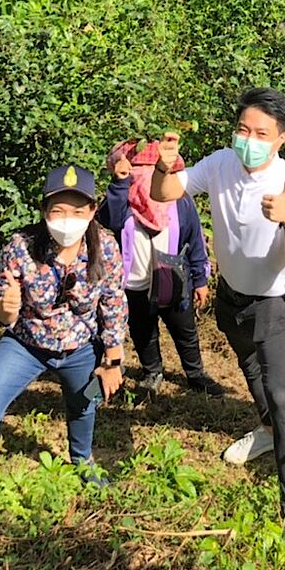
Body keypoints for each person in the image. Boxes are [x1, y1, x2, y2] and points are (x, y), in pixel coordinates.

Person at [151, 87, 285, 560]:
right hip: (233, 298)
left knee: (283, 396)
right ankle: (265, 431)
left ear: (282, 138)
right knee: (250, 369)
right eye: (243, 129)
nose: (249, 140)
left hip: (280, 304)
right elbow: (166, 193)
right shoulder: (222, 162)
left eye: (261, 133)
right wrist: (166, 166)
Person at [0, 164, 126, 548]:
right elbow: (4, 312)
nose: (67, 220)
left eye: (78, 211)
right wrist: (6, 308)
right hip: (26, 343)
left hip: (80, 346)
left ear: (92, 211)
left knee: (83, 405)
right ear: (44, 211)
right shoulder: (20, 246)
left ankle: (83, 461)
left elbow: (112, 302)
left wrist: (113, 359)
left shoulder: (105, 246)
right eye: (58, 210)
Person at [100, 138, 224, 396]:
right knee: (143, 331)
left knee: (184, 328)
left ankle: (195, 373)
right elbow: (109, 218)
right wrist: (120, 183)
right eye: (138, 172)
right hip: (134, 283)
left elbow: (195, 240)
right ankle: (152, 371)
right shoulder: (124, 201)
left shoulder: (179, 201)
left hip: (173, 279)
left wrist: (200, 280)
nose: (146, 181)